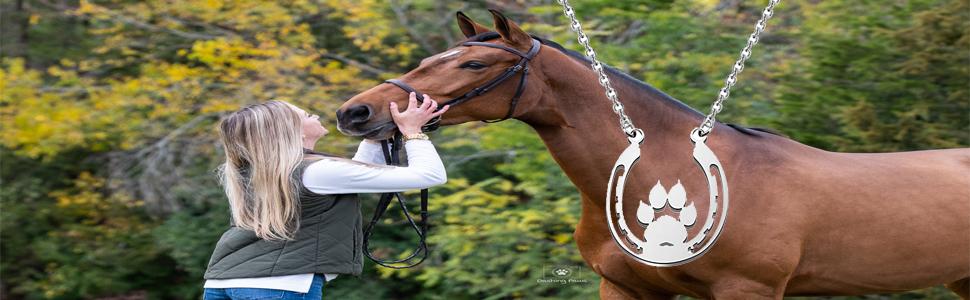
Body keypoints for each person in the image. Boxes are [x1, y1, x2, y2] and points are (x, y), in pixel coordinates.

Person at [201, 92, 449, 299]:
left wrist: (375, 137)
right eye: (306, 115)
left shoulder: (258, 170)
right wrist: (414, 132)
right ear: (292, 132)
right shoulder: (317, 171)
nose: (316, 115)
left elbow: (350, 177)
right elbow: (430, 176)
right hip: (280, 286)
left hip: (222, 281)